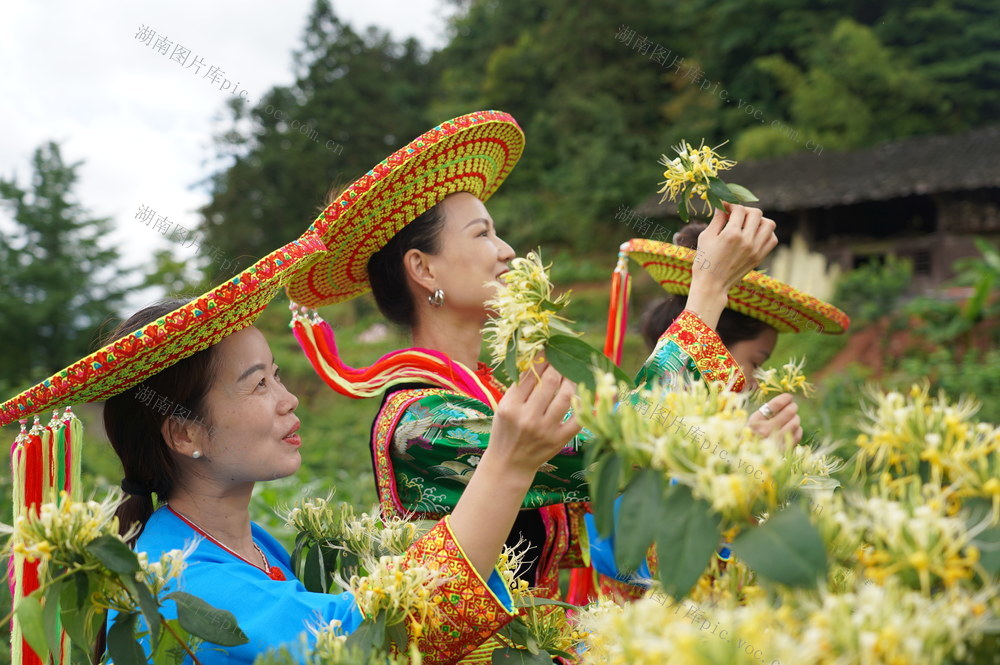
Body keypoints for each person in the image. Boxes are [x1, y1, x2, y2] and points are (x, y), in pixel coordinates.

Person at [2, 235, 581, 665]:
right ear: (185, 433)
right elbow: (371, 640)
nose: (287, 400)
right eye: (258, 384)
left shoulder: (249, 545)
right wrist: (508, 462)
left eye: (278, 376)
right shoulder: (177, 583)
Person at [284, 110, 778, 600]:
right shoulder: (422, 424)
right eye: (482, 234)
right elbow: (610, 453)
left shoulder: (493, 397)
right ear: (423, 269)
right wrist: (707, 292)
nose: (506, 251)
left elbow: (622, 544)